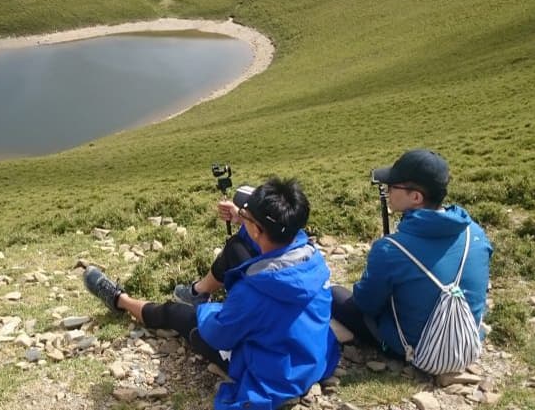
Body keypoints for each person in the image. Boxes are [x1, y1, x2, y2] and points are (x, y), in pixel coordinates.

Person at [84, 177, 340, 410]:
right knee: (235, 249)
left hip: (278, 374)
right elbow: (259, 238)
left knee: (177, 314)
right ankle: (192, 292)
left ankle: (120, 299)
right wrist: (242, 218)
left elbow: (219, 335)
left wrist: (206, 311)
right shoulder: (311, 256)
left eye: (247, 217)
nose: (244, 217)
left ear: (257, 230)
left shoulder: (252, 292)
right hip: (311, 357)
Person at [331, 149, 493, 363]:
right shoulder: (476, 232)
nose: (387, 191)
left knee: (335, 294)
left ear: (416, 197)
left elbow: (366, 305)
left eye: (392, 186)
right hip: (467, 341)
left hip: (416, 349)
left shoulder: (390, 249)